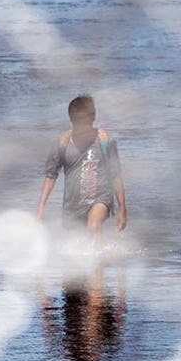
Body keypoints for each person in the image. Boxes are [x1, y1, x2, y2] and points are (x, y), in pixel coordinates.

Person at [35, 94, 127, 250]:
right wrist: (41, 206)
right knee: (77, 246)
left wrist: (123, 208)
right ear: (71, 121)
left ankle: (99, 269)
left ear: (93, 118)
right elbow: (51, 176)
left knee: (94, 225)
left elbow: (115, 175)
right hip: (74, 202)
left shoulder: (105, 141)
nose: (80, 128)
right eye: (76, 123)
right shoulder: (62, 142)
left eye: (84, 122)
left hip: (100, 197)